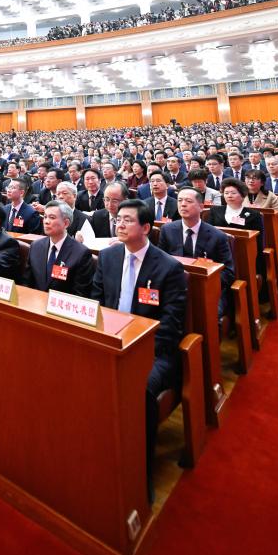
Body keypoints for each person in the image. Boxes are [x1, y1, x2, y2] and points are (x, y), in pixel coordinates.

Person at [91, 199, 187, 503]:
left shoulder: (168, 267)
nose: (120, 224)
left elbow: (171, 326)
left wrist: (135, 351)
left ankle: (140, 471)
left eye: (128, 220)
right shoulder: (107, 257)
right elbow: (96, 302)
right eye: (118, 219)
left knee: (139, 388)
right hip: (110, 341)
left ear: (145, 228)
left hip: (153, 351)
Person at [158, 188, 235, 319]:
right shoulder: (167, 230)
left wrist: (202, 283)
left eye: (188, 201)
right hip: (175, 287)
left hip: (207, 288)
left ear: (201, 207)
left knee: (205, 314)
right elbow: (160, 262)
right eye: (180, 200)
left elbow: (228, 272)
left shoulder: (218, 236)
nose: (183, 204)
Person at [23, 201, 94, 297]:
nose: (46, 221)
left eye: (52, 217)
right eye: (45, 217)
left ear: (66, 223)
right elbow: (26, 283)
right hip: (35, 301)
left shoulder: (81, 253)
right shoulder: (35, 246)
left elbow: (80, 294)